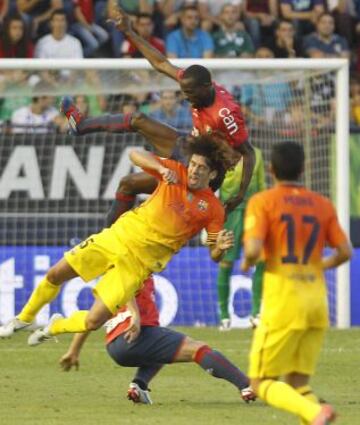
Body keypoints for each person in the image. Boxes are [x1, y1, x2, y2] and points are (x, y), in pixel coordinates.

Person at [0, 135, 235, 347]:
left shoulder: (213, 210)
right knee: (55, 274)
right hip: (116, 238)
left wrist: (220, 248)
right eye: (192, 164)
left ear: (212, 174)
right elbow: (135, 155)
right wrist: (160, 169)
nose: (193, 170)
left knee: (93, 321)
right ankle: (24, 318)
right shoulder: (173, 171)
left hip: (137, 266)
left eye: (201, 168)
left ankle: (55, 326)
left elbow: (214, 253)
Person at [61, 3, 255, 221]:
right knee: (137, 124)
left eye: (190, 93)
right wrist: (129, 31)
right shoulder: (195, 83)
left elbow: (248, 152)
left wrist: (239, 194)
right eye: (184, 91)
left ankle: (110, 238)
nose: (186, 97)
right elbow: (160, 63)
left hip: (204, 169)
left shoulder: (225, 114)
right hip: (189, 147)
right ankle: (81, 125)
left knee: (135, 188)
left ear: (206, 87)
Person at [241, 141, 352, 424]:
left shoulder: (263, 201)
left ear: (271, 169)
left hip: (284, 301)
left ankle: (316, 412)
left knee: (260, 383)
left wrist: (247, 261)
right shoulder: (322, 204)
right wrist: (317, 266)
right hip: (316, 302)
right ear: (303, 169)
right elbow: (345, 252)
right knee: (298, 385)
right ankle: (316, 412)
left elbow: (253, 250)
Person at [59, 276, 256, 404]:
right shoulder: (138, 265)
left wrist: (73, 351)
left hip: (115, 346)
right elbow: (126, 284)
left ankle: (139, 385)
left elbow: (90, 317)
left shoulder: (113, 279)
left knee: (161, 348)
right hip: (134, 335)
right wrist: (135, 315)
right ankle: (247, 385)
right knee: (198, 349)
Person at [217, 147, 265, 330]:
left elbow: (261, 185)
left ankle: (256, 313)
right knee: (226, 262)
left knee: (261, 259)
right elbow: (216, 184)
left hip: (253, 212)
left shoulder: (256, 153)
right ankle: (224, 317)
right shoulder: (223, 152)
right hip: (230, 212)